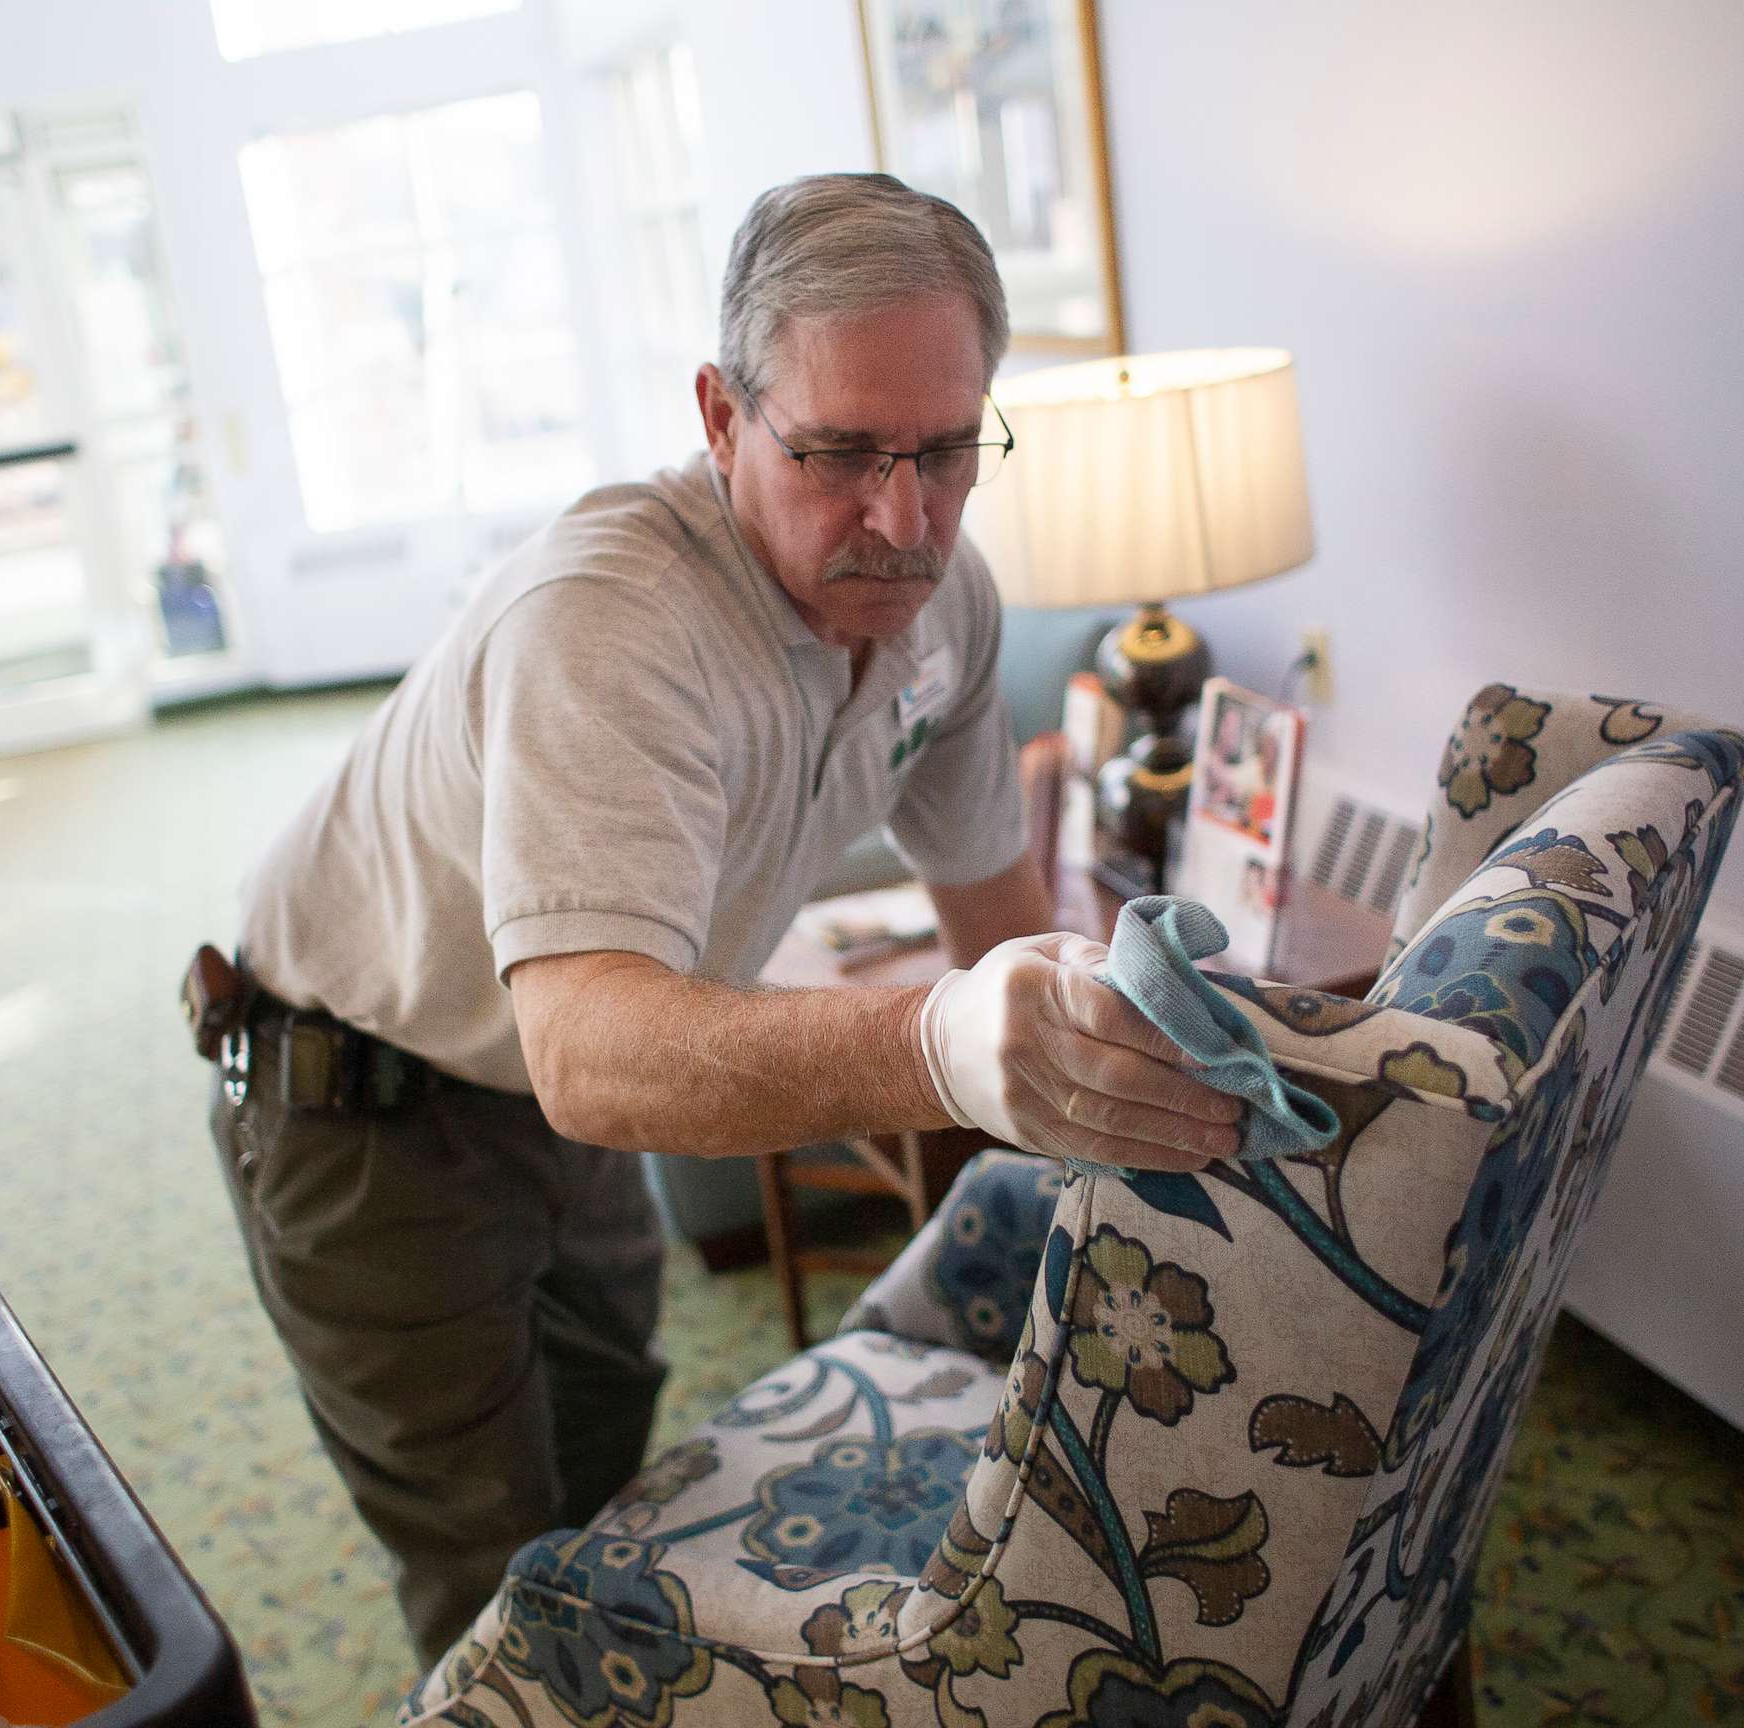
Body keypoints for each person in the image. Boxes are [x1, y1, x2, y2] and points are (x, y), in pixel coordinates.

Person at [198, 172, 1245, 1666]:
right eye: (837, 455)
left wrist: (1134, 1115)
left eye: (949, 450)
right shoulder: (612, 621)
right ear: (719, 415)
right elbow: (594, 1053)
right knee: (491, 1575)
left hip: (570, 1096)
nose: (905, 518)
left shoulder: (948, 606)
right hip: (363, 1102)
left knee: (608, 1479)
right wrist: (945, 1045)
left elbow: (996, 926)